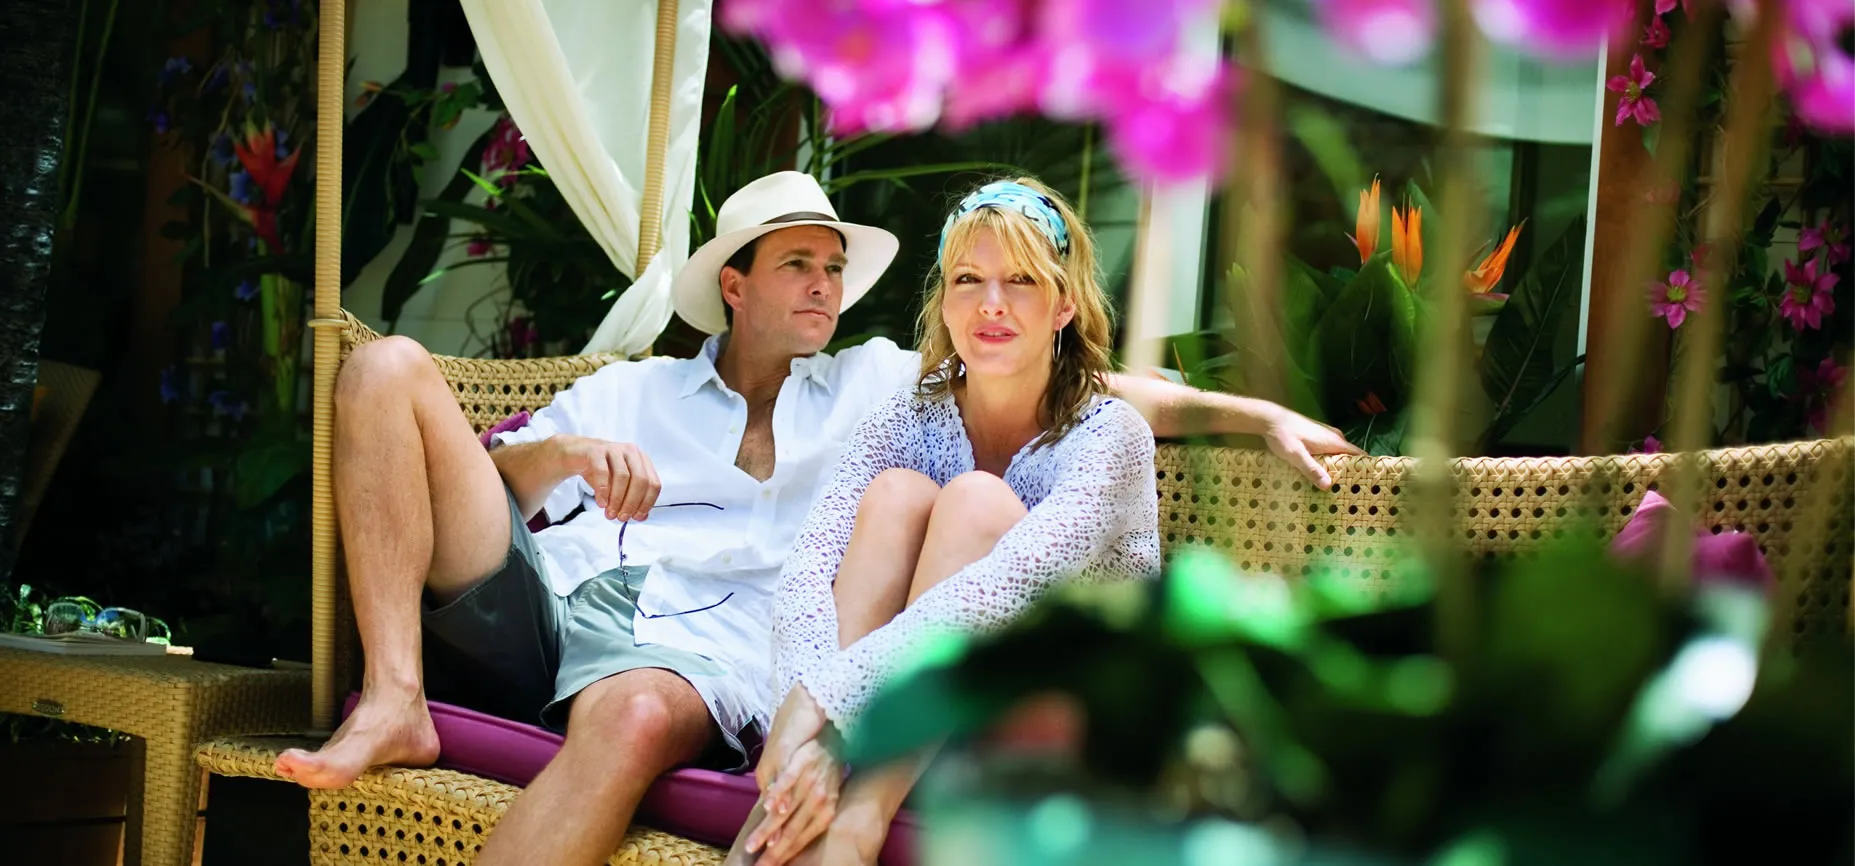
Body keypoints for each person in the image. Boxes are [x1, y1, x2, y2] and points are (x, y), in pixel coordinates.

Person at [271, 171, 1361, 866]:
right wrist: (560, 453)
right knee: (381, 367)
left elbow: (1086, 391)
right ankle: (397, 693)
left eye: (837, 268)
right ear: (732, 285)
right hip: (573, 606)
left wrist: (1250, 410)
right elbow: (498, 489)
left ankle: (838, 798)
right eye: (800, 264)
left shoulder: (873, 385)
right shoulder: (635, 387)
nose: (827, 287)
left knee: (651, 702)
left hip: (750, 665)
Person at [735, 178, 1158, 866]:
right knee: (898, 494)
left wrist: (831, 719)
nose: (990, 304)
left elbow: (990, 596)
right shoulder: (907, 417)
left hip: (1062, 728)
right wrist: (802, 728)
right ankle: (777, 828)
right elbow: (808, 570)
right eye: (968, 278)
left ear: (1064, 305)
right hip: (922, 710)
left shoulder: (1110, 439)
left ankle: (856, 825)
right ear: (944, 300)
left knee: (976, 502)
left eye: (1020, 280)